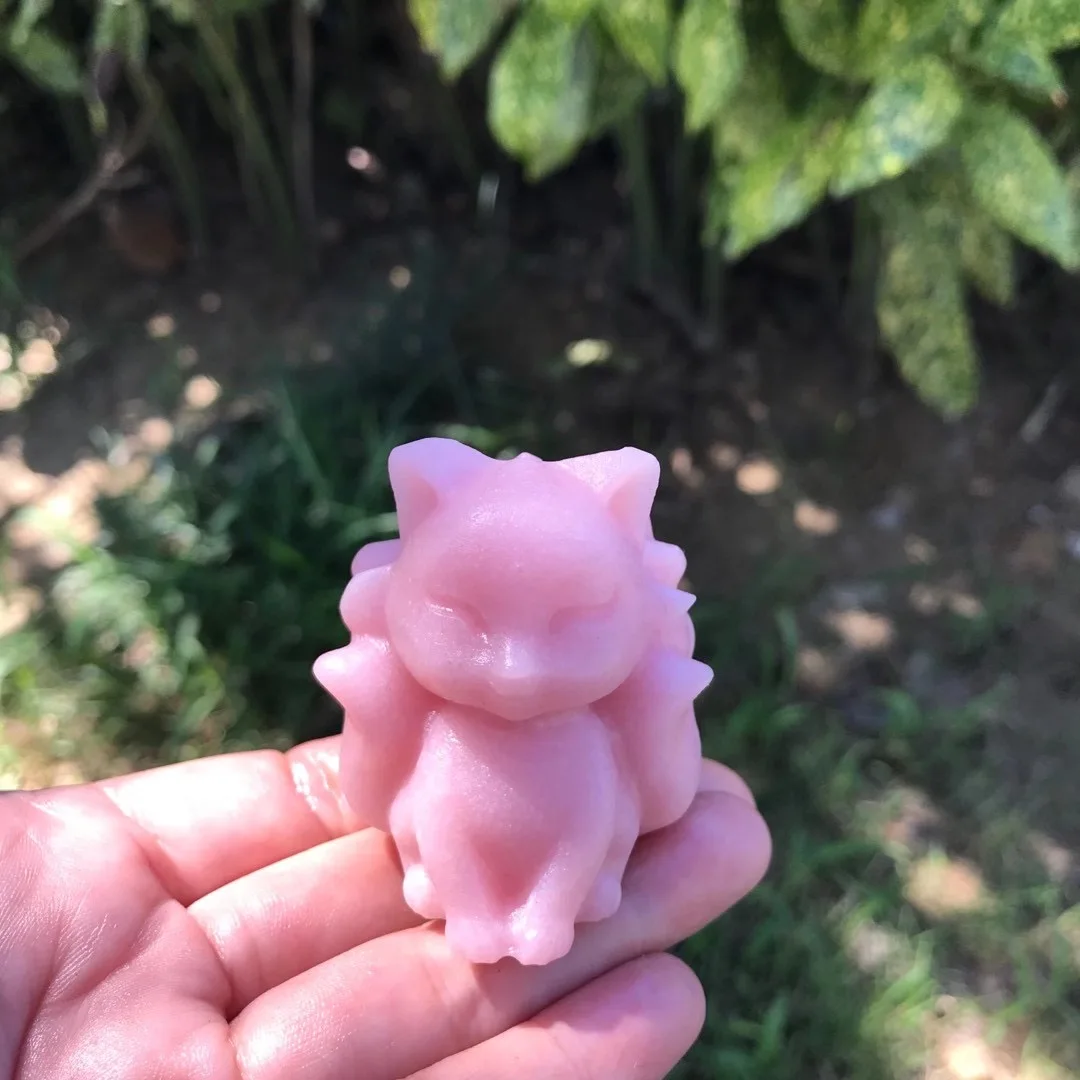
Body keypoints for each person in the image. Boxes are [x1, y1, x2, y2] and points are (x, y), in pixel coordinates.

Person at [0, 735, 770, 1079]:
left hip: (575, 825)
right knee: (447, 823)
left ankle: (544, 902)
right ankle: (481, 898)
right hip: (453, 831)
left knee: (583, 827)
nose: (517, 667)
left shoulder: (615, 715)